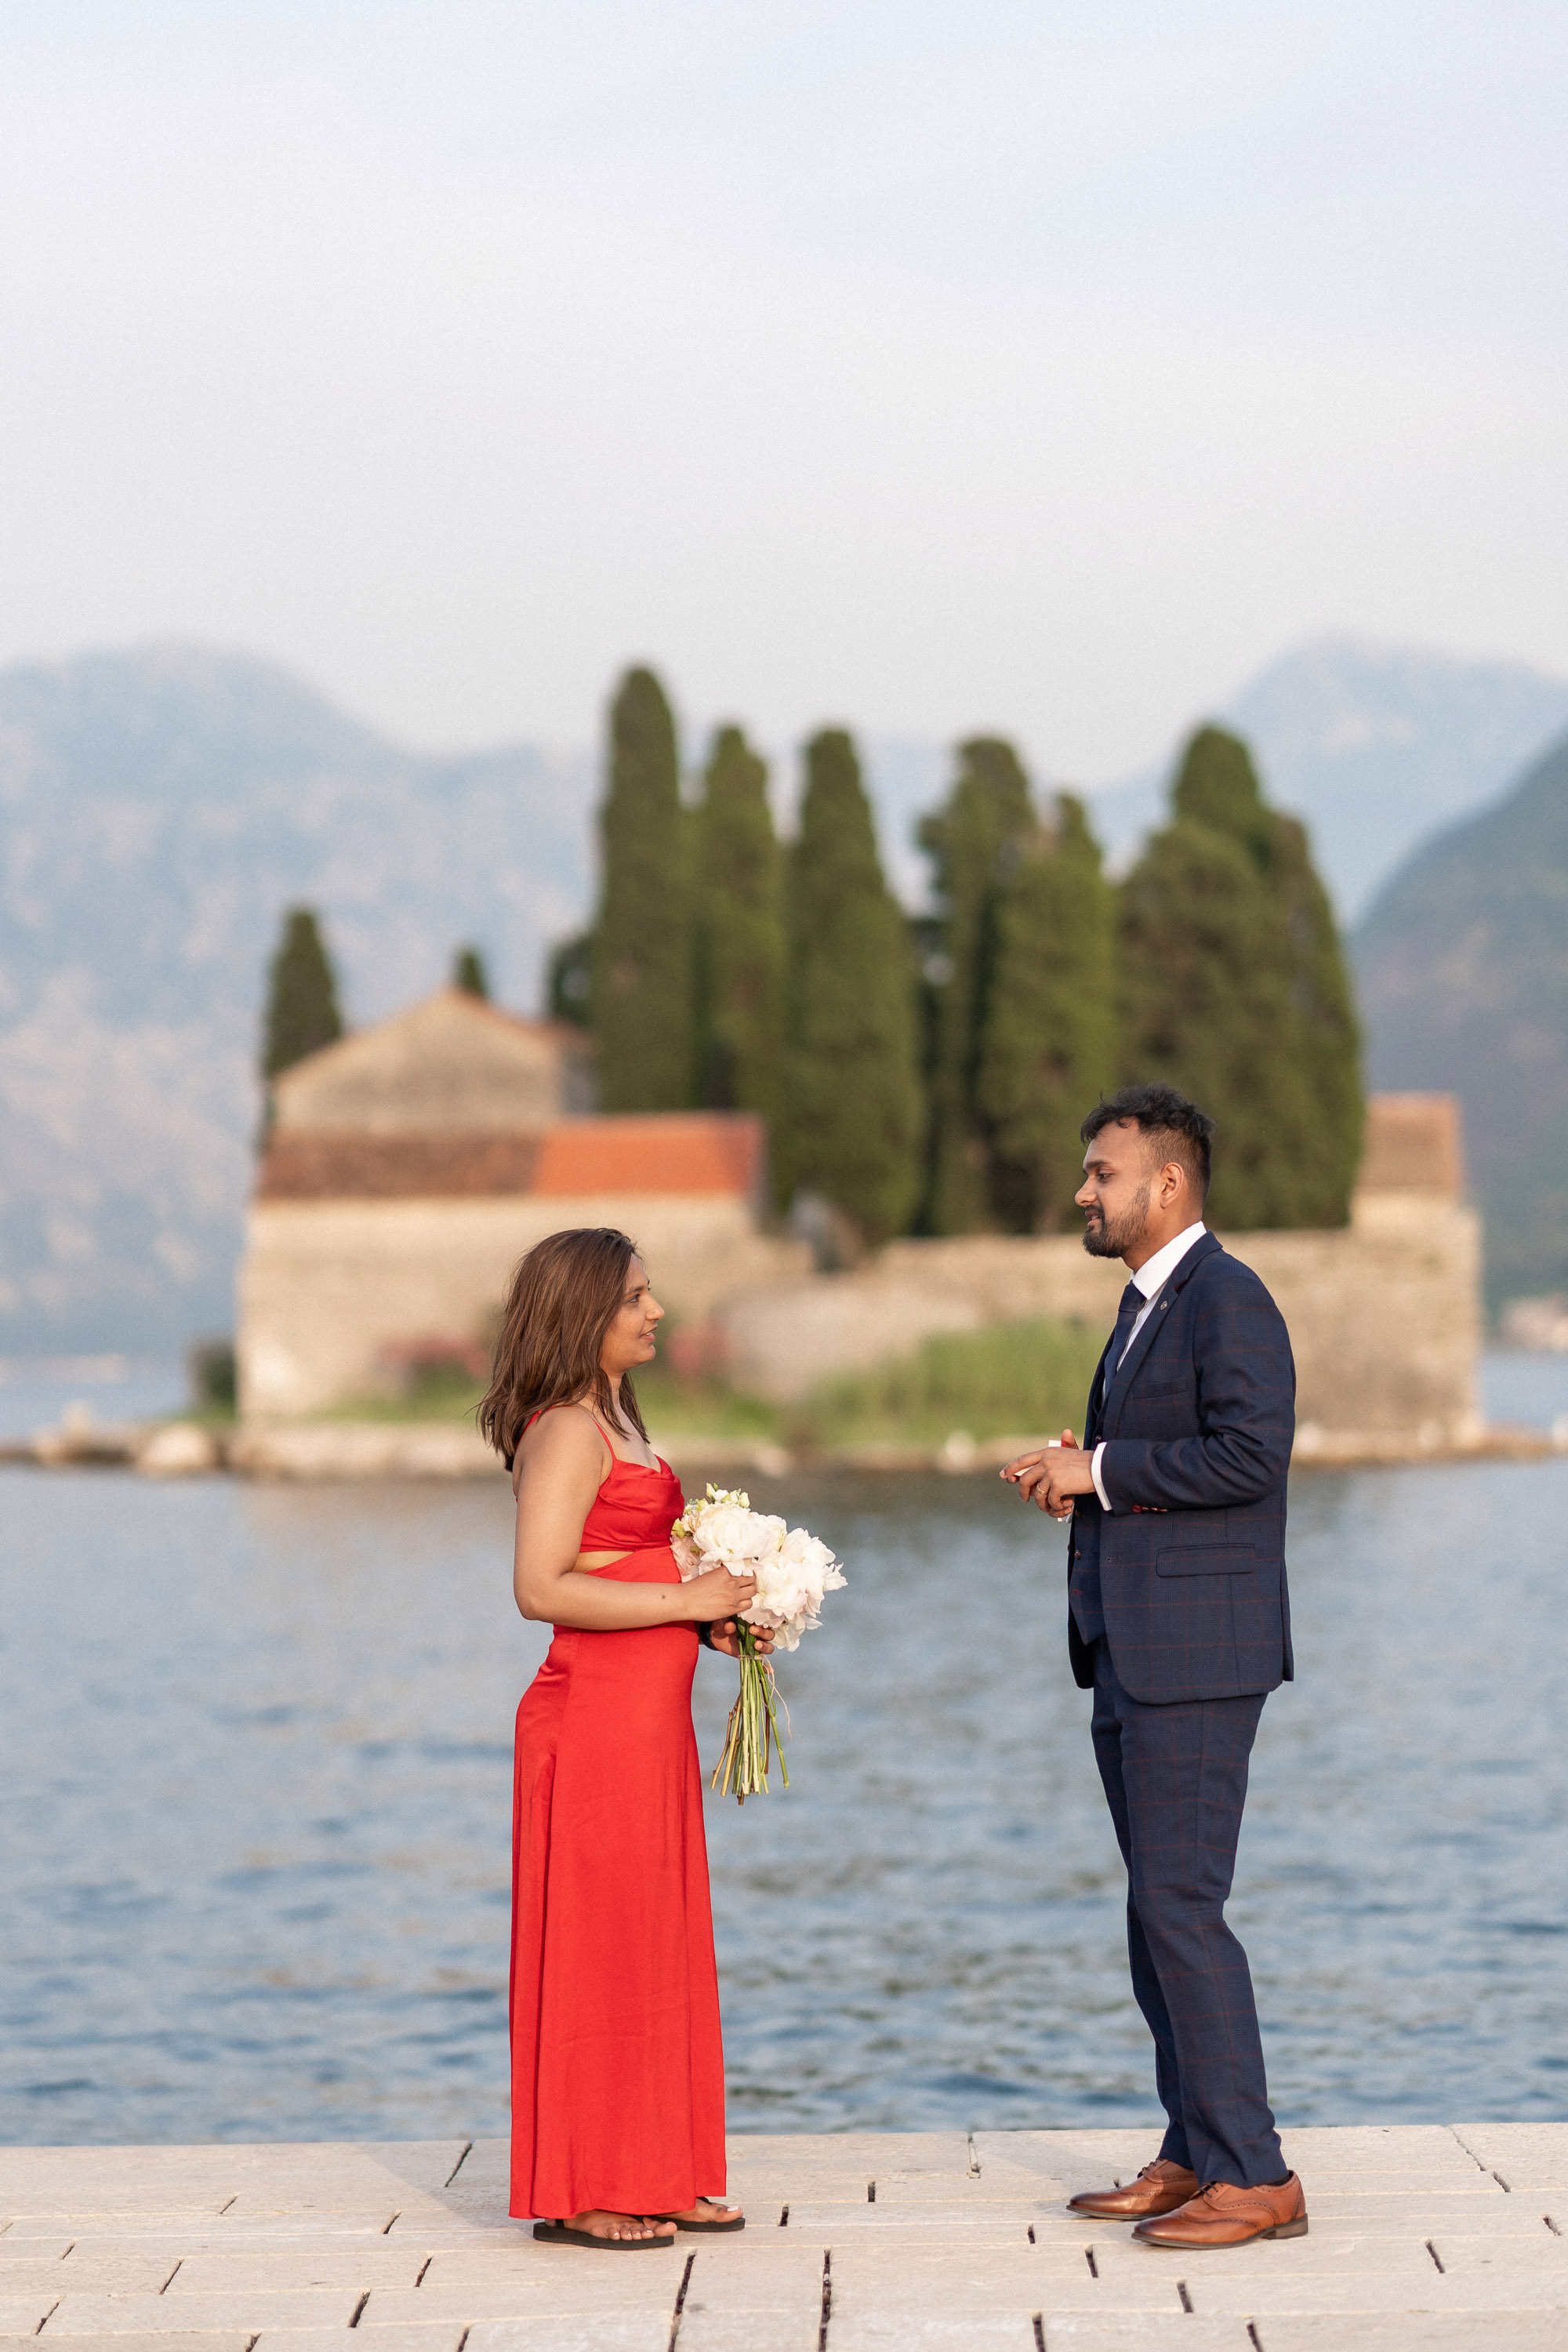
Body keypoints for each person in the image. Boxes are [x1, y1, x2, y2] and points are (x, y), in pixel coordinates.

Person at [1004, 1083, 1308, 2252]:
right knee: (1155, 1913)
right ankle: (1193, 2151)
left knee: (1183, 1908)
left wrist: (1107, 1472)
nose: (1084, 1192)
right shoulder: (1147, 1304)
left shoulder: (1228, 1297)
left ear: (1165, 1184)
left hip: (1196, 1658)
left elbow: (1250, 1454)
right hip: (1130, 1651)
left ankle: (1259, 2175)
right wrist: (1085, 1468)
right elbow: (1166, 1457)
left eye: (1102, 1174)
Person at [478, 1226, 770, 2250]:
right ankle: (588, 2184)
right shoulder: (566, 1430)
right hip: (593, 1722)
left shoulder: (624, 1421)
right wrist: (684, 1594)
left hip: (649, 1727)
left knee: (658, 1941)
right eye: (636, 1298)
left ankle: (667, 2165)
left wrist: (715, 1618)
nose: (656, 1312)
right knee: (602, 1947)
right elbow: (540, 1587)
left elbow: (632, 1567)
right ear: (583, 1314)